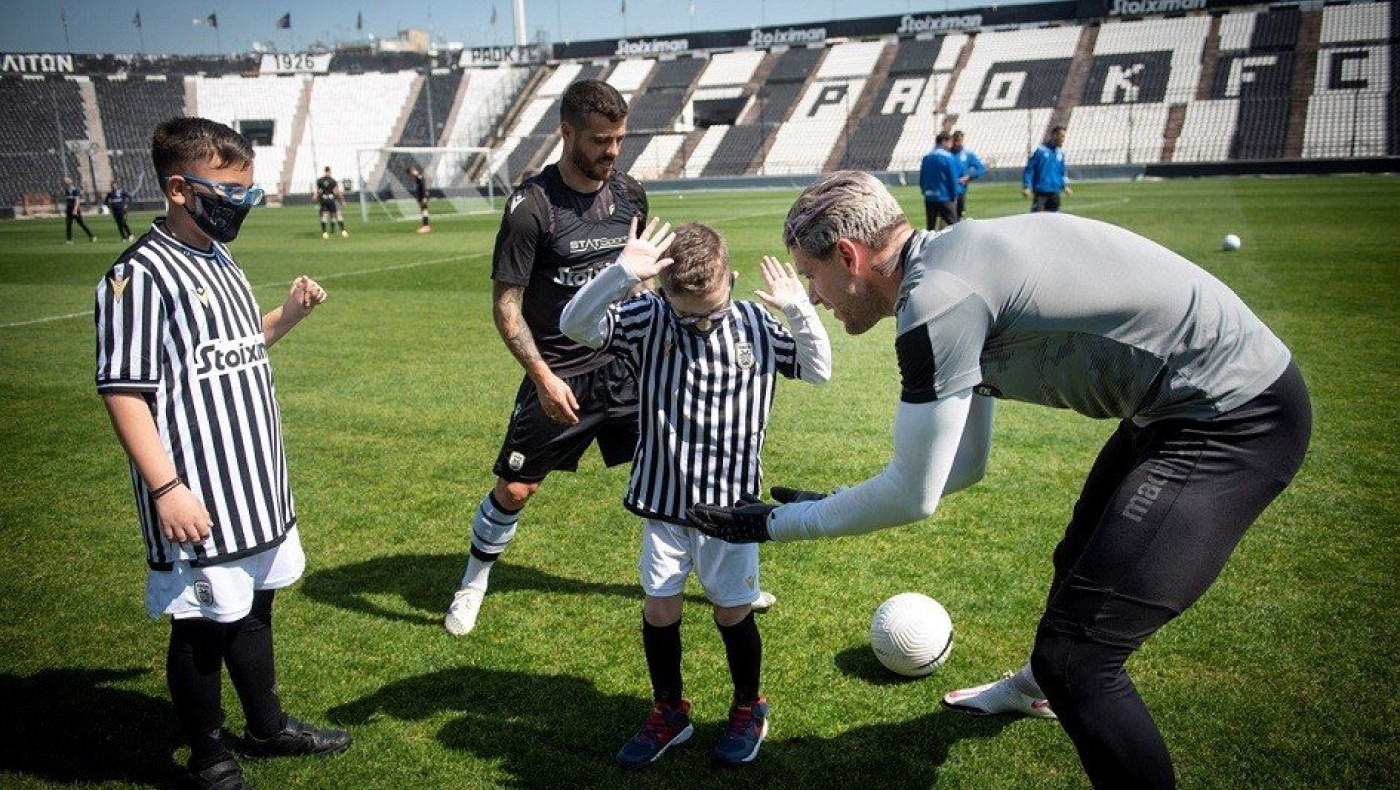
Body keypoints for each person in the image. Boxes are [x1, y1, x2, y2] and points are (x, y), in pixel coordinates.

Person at [688, 171, 1311, 790]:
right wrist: (830, 502)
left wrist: (771, 524)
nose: (815, 297)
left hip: (1236, 416)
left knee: (1080, 661)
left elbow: (914, 495)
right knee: (1078, 560)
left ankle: (1052, 681)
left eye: (811, 275)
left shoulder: (939, 300)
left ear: (849, 256)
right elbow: (964, 465)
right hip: (1179, 407)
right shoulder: (949, 263)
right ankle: (1035, 691)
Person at [443, 79, 778, 638]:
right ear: (567, 133)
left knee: (693, 464)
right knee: (518, 487)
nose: (611, 152)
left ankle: (730, 580)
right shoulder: (532, 208)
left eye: (619, 139)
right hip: (561, 373)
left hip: (629, 366)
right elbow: (506, 306)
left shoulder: (629, 195)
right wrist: (543, 378)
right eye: (600, 140)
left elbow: (647, 279)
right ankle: (473, 581)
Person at [94, 117, 350, 790]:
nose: (241, 204)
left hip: (255, 486)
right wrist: (166, 487)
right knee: (202, 622)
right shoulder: (140, 275)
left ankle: (268, 727)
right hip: (197, 491)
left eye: (250, 192)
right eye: (230, 191)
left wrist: (287, 316)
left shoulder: (217, 255)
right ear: (179, 187)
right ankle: (207, 756)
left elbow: (235, 347)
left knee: (254, 606)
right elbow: (124, 390)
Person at [559, 219, 831, 768]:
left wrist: (797, 307)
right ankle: (669, 712)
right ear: (663, 292)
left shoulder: (754, 321)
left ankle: (748, 706)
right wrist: (619, 274)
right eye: (690, 314)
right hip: (663, 502)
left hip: (731, 510)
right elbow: (575, 324)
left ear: (729, 280)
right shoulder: (650, 316)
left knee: (732, 612)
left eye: (712, 309)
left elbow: (819, 370)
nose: (703, 323)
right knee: (660, 609)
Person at [1023, 125, 1071, 212]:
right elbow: (1029, 169)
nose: (1063, 139)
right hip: (1041, 192)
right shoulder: (1040, 151)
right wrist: (1027, 186)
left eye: (1064, 136)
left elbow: (1062, 171)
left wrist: (1065, 186)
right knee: (1038, 220)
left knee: (1055, 221)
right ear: (1054, 135)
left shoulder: (1060, 153)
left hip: (1055, 192)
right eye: (1062, 136)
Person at [918, 132, 959, 230]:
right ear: (944, 141)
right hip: (944, 197)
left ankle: (929, 245)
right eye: (950, 142)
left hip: (929, 196)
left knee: (931, 226)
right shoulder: (948, 157)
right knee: (955, 226)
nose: (951, 145)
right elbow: (952, 179)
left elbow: (922, 178)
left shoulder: (927, 157)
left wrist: (924, 192)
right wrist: (954, 196)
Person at [950, 130, 987, 219]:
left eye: (959, 141)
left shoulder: (967, 154)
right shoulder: (947, 153)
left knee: (959, 215)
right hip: (947, 189)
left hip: (960, 189)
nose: (957, 143)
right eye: (955, 140)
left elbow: (981, 168)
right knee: (947, 216)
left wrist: (969, 176)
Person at [315, 166, 347, 239]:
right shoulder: (333, 181)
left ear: (324, 171)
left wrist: (317, 200)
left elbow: (318, 192)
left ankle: (325, 233)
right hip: (331, 199)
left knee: (324, 216)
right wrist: (342, 200)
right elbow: (337, 192)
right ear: (329, 171)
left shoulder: (319, 180)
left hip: (324, 200)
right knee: (337, 215)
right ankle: (343, 231)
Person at [62, 176, 96, 243]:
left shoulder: (75, 190)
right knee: (68, 224)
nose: (65, 182)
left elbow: (77, 200)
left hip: (75, 209)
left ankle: (92, 236)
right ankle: (69, 240)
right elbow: (68, 200)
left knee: (81, 223)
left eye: (66, 181)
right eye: (64, 181)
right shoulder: (66, 190)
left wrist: (75, 210)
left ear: (70, 182)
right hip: (69, 209)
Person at [408, 164, 431, 233]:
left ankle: (426, 226)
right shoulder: (417, 177)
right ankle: (425, 225)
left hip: (423, 195)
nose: (411, 176)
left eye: (410, 173)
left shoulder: (419, 177)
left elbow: (423, 187)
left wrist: (424, 197)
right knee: (423, 210)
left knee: (424, 210)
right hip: (422, 196)